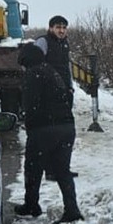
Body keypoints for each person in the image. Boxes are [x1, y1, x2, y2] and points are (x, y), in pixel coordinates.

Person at [13, 42, 83, 224]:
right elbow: (66, 97)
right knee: (62, 171)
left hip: (44, 129)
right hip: (67, 127)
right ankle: (72, 210)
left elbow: (30, 104)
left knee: (33, 168)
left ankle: (31, 205)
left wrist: (28, 123)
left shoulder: (32, 74)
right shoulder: (51, 71)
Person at [35, 15, 79, 180]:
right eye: (58, 27)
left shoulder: (65, 44)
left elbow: (67, 67)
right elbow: (35, 65)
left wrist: (70, 87)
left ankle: (62, 169)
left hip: (65, 94)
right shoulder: (43, 42)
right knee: (51, 134)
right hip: (49, 96)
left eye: (64, 27)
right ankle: (50, 171)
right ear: (51, 28)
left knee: (65, 134)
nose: (61, 30)